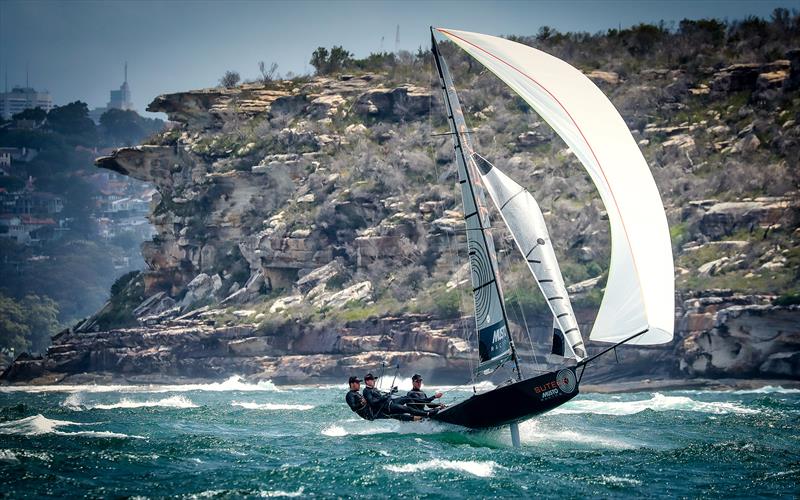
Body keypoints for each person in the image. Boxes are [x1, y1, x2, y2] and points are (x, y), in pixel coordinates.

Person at [362, 373, 437, 421]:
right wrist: (385, 397)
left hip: (391, 402)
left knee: (407, 398)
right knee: (407, 409)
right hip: (388, 407)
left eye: (374, 380)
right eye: (373, 380)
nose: (374, 381)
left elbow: (383, 397)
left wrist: (392, 392)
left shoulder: (373, 389)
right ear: (367, 381)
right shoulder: (366, 391)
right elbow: (372, 402)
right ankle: (426, 414)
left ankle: (420, 413)